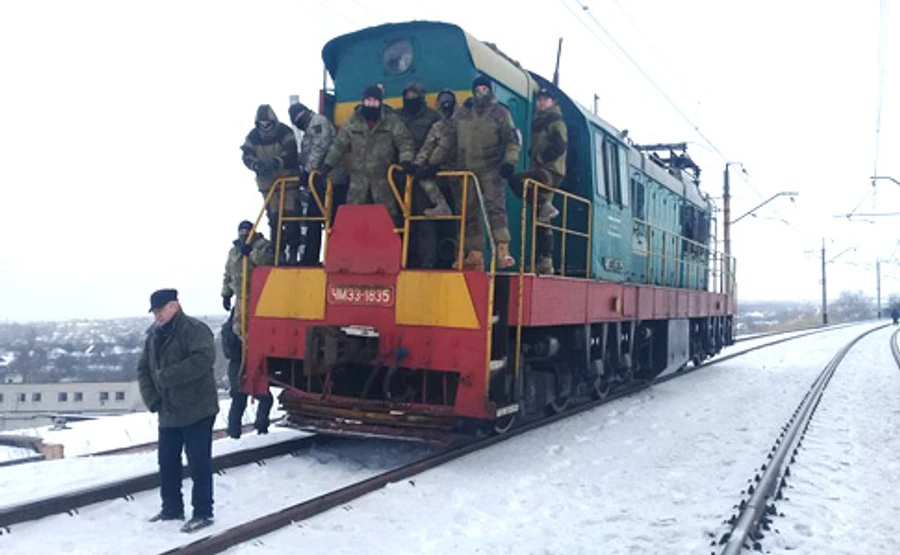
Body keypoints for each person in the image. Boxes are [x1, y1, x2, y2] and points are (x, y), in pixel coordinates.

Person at [137, 289, 218, 533]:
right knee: (167, 462)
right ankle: (171, 508)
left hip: (197, 409)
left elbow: (203, 360)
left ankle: (203, 512)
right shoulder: (153, 336)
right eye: (154, 312)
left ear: (175, 306)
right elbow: (143, 369)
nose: (157, 316)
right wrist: (152, 399)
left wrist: (167, 377)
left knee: (198, 463)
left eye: (161, 310)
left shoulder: (195, 330)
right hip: (168, 410)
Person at [320, 85, 415, 227]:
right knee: (354, 219)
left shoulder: (391, 121)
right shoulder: (352, 122)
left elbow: (404, 140)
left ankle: (388, 248)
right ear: (363, 101)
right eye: (368, 100)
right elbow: (338, 145)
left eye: (375, 101)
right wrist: (327, 165)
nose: (371, 104)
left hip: (383, 181)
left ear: (380, 102)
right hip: (357, 183)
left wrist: (406, 160)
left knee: (388, 220)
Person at [452, 74, 521, 270]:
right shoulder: (463, 113)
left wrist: (510, 162)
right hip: (466, 170)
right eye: (478, 90)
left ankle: (503, 250)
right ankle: (475, 254)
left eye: (484, 89)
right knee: (469, 212)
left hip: (491, 169)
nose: (481, 93)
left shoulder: (500, 113)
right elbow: (450, 138)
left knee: (495, 210)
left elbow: (512, 140)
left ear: (490, 91)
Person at [220, 220, 275, 437]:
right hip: (241, 300)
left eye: (247, 231)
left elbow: (267, 265)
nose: (244, 234)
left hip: (260, 300)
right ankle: (233, 432)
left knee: (254, 344)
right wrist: (226, 293)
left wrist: (250, 252)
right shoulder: (233, 251)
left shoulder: (263, 246)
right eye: (241, 231)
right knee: (235, 338)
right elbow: (228, 273)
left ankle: (261, 426)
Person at [512, 87, 568, 274]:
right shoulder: (540, 120)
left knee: (517, 181)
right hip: (543, 169)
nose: (541, 102)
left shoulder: (555, 121)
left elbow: (559, 147)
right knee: (541, 218)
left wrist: (541, 158)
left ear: (553, 102)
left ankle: (545, 205)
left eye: (546, 99)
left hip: (550, 172)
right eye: (540, 99)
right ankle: (546, 261)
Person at [398, 82, 451, 268]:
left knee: (424, 221)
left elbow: (439, 144)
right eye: (408, 94)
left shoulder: (433, 118)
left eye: (414, 94)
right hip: (397, 179)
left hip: (423, 178)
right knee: (398, 220)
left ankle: (426, 263)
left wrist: (430, 167)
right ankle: (400, 260)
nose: (410, 98)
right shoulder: (396, 117)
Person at [240, 105, 301, 265]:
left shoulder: (284, 132)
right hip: (268, 187)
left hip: (288, 183)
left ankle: (293, 253)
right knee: (274, 220)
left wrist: (276, 162)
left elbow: (291, 152)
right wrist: (256, 165)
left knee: (291, 218)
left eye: (268, 123)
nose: (265, 127)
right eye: (262, 124)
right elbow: (246, 155)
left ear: (274, 121)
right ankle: (278, 254)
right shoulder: (252, 137)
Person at [288, 101, 342, 266]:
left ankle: (336, 258)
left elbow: (321, 146)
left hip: (332, 180)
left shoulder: (318, 122)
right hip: (318, 182)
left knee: (333, 221)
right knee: (314, 219)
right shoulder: (308, 130)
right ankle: (310, 258)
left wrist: (308, 170)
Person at [414, 89, 459, 267]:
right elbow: (428, 146)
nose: (446, 105)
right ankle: (441, 205)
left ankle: (462, 255)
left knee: (466, 217)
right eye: (443, 102)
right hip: (442, 175)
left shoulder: (464, 123)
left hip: (462, 173)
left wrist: (432, 163)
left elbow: (446, 146)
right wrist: (417, 166)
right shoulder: (438, 126)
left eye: (449, 101)